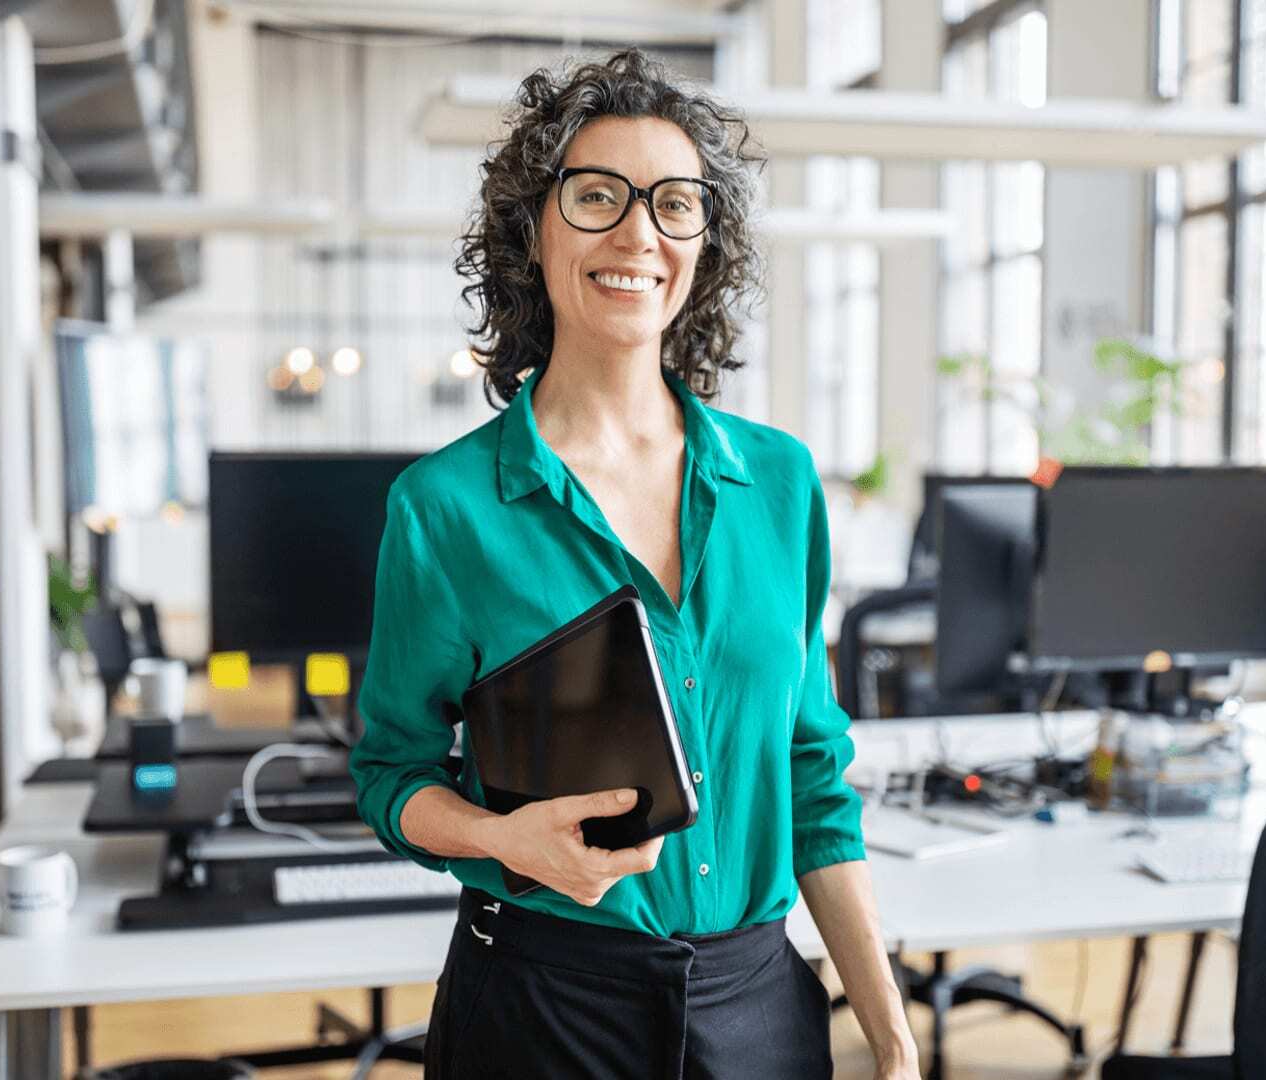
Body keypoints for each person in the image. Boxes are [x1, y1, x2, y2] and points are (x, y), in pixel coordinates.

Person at [349, 48, 917, 1079]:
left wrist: (891, 1034)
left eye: (674, 204)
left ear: (706, 243)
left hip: (759, 1008)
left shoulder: (780, 484)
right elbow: (392, 773)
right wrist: (503, 839)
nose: (638, 233)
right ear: (533, 230)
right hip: (541, 1005)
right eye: (598, 196)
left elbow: (813, 780)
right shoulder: (444, 510)